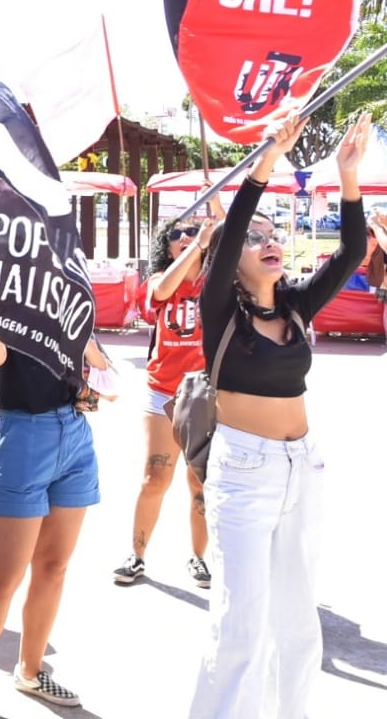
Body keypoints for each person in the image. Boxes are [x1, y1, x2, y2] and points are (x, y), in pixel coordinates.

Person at [188, 111, 371, 719]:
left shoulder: (294, 306)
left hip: (304, 469)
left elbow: (350, 252)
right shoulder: (220, 312)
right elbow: (233, 227)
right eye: (254, 238)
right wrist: (266, 161)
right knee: (241, 627)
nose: (270, 242)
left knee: (298, 628)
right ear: (228, 261)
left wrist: (348, 175)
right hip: (243, 475)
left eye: (274, 236)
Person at [0, 318, 111, 717]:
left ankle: (31, 672)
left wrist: (90, 374)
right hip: (24, 435)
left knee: (54, 566)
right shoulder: (7, 288)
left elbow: (99, 363)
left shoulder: (67, 287)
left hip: (75, 434)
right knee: (3, 574)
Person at [113, 215, 222, 589]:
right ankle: (137, 555)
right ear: (167, 245)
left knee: (199, 483)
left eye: (192, 231)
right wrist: (197, 245)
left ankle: (198, 558)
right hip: (163, 390)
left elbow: (232, 236)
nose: (186, 237)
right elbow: (161, 293)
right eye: (177, 234)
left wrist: (218, 211)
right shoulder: (160, 280)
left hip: (205, 393)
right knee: (155, 478)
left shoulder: (216, 280)